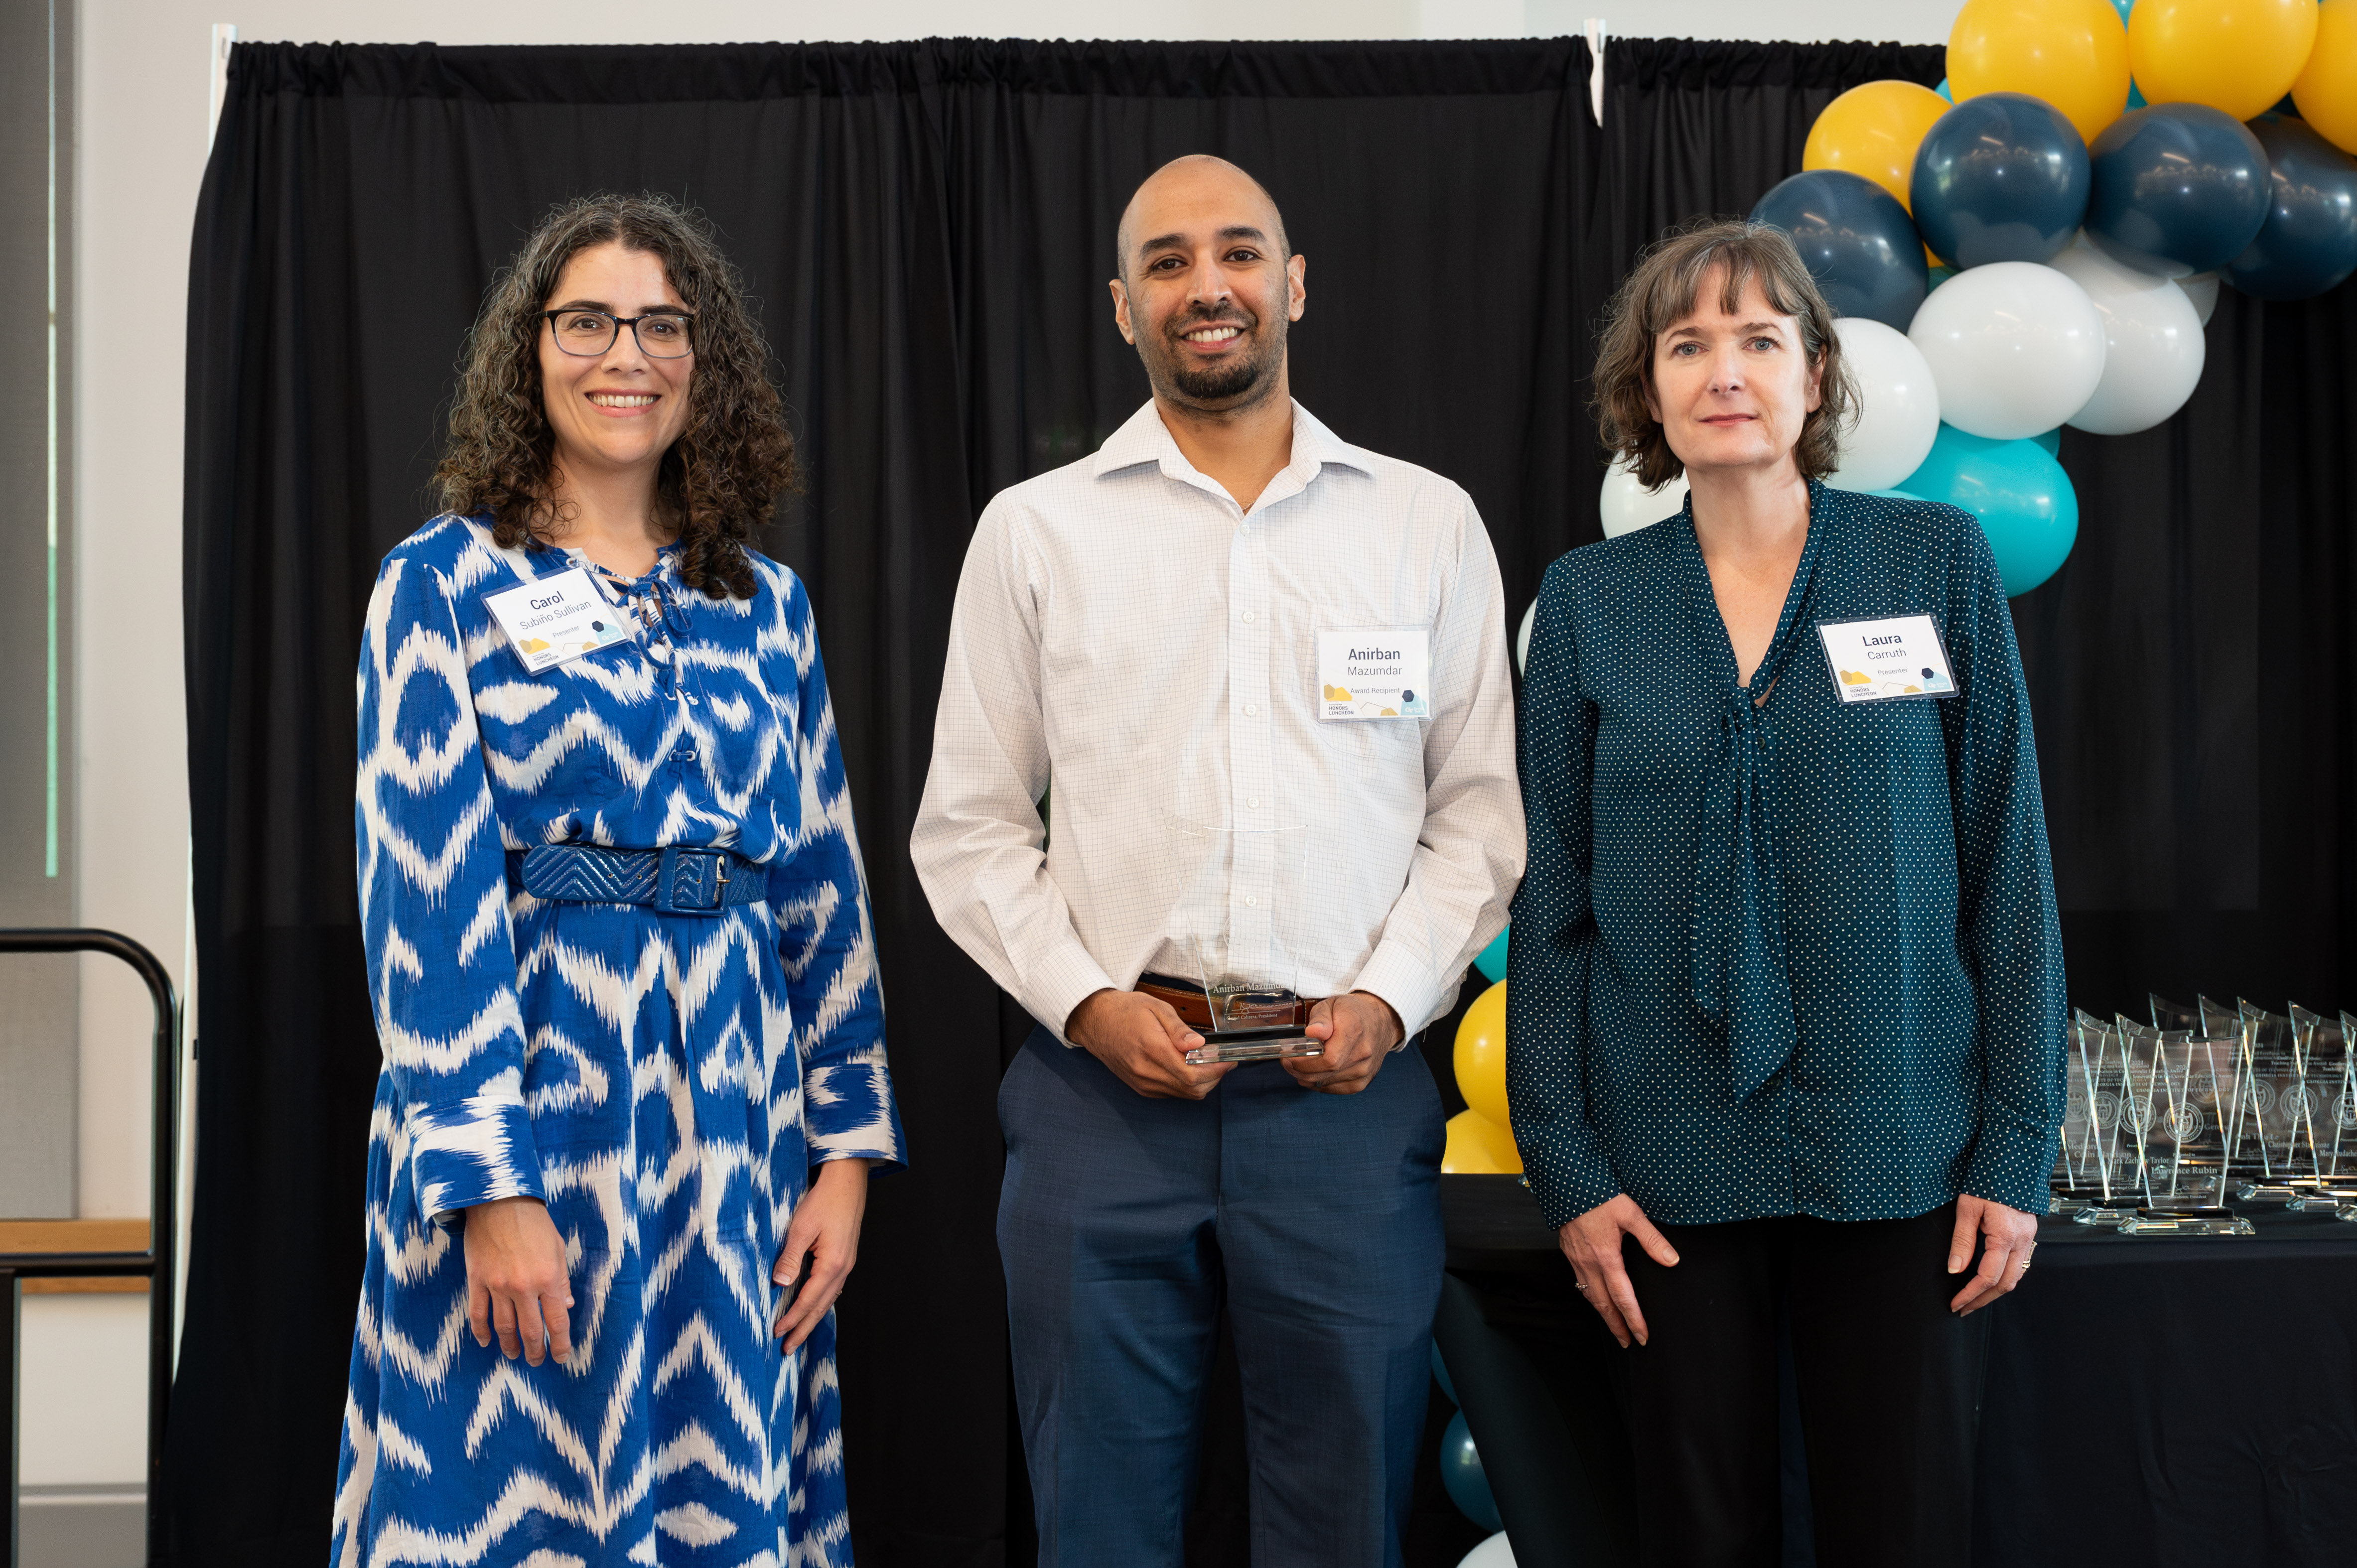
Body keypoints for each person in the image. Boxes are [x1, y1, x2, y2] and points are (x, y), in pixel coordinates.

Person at [910, 154, 1522, 1565]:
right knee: (1098, 1520)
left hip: (1343, 1098)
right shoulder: (1036, 531)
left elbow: (1480, 816)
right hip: (1098, 1099)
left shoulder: (1421, 522)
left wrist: (1386, 1001)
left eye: (1238, 253)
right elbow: (972, 823)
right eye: (1169, 262)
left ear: (1293, 284)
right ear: (1122, 308)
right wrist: (1082, 1002)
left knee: (1343, 1517)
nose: (1208, 286)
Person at [331, 193, 904, 1568]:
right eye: (586, 321)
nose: (624, 354)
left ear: (703, 360)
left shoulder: (763, 604)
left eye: (660, 324)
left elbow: (820, 884)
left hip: (733, 1131)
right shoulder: (444, 586)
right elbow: (425, 903)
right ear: (528, 351)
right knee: (503, 1491)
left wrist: (844, 1155)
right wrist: (489, 1184)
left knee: (719, 1494)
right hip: (535, 1109)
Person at [1506, 218, 2065, 1568]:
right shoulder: (1587, 604)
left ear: (1815, 375)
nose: (1723, 369)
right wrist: (1566, 1166)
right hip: (1665, 1166)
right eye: (1684, 343)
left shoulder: (1930, 563)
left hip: (1904, 1148)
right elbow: (1550, 901)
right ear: (1644, 392)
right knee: (1696, 1534)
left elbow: (2009, 866)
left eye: (1758, 337)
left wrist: (2014, 1140)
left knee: (1903, 1524)